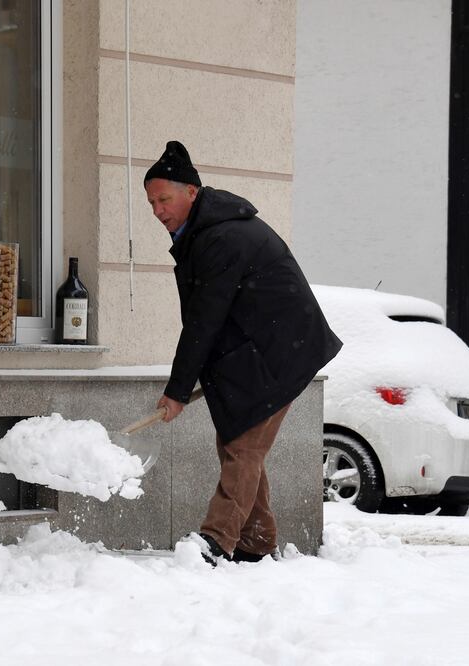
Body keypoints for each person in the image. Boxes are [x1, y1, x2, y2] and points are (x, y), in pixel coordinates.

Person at [144, 140, 342, 566]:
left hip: (282, 351)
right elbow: (209, 318)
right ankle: (256, 540)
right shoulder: (205, 232)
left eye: (164, 199)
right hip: (260, 350)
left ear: (191, 192)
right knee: (237, 441)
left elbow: (204, 320)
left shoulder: (222, 237)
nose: (157, 210)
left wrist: (177, 391)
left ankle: (215, 541)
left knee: (243, 448)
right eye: (152, 203)